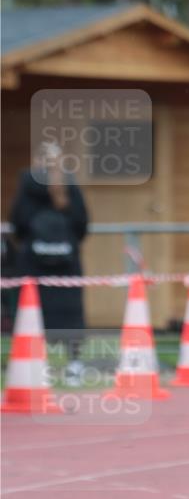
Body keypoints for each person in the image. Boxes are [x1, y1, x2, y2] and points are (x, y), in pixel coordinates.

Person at [9, 142, 89, 384]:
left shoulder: (26, 184)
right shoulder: (68, 184)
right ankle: (74, 366)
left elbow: (17, 224)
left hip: (32, 265)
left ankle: (36, 368)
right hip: (66, 266)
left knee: (32, 315)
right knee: (70, 316)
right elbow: (82, 225)